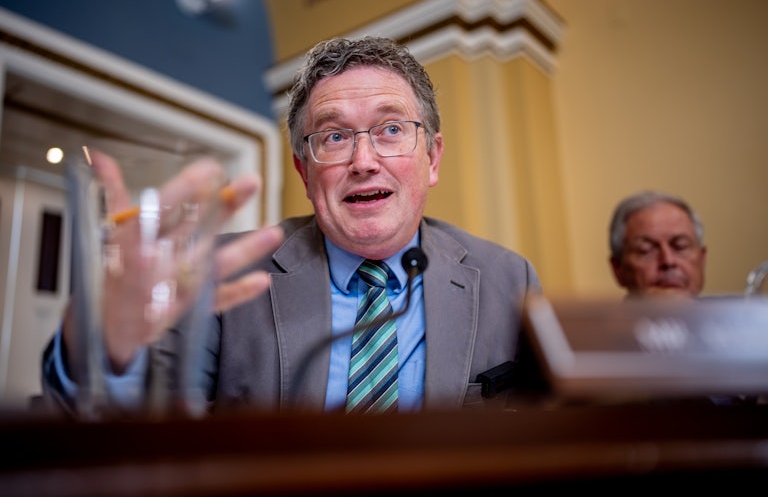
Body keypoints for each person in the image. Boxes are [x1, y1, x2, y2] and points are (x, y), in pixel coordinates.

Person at [41, 36, 542, 417]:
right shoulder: (220, 276)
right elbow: (120, 422)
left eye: (391, 129)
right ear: (304, 172)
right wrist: (104, 341)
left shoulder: (508, 279)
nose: (363, 160)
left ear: (432, 158)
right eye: (334, 136)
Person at [608, 190, 707, 299]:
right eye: (646, 250)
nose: (668, 261)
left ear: (702, 260)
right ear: (617, 269)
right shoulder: (593, 316)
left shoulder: (726, 315)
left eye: (680, 247)